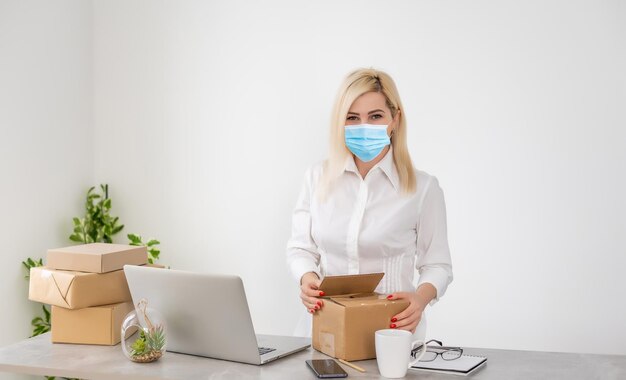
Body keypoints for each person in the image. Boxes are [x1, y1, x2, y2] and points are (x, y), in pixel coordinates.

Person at [286, 68, 453, 338]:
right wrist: (307, 279)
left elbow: (438, 265)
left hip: (392, 332)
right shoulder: (317, 177)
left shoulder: (423, 189)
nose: (364, 126)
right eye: (353, 118)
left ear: (395, 119)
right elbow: (300, 248)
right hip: (324, 328)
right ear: (340, 123)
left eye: (375, 116)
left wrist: (420, 300)